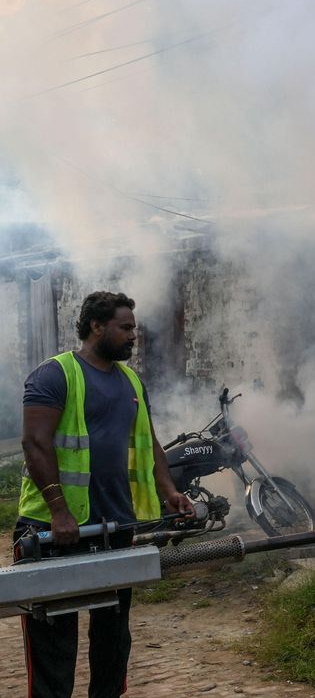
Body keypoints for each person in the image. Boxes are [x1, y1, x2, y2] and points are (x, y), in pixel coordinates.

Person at [14, 291, 193, 698]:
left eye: (134, 328)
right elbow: (34, 443)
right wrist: (60, 512)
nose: (134, 336)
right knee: (53, 645)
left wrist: (170, 492)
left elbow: (149, 444)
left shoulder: (131, 381)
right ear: (97, 326)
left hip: (116, 527)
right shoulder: (55, 375)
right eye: (125, 327)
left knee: (114, 642)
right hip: (53, 531)